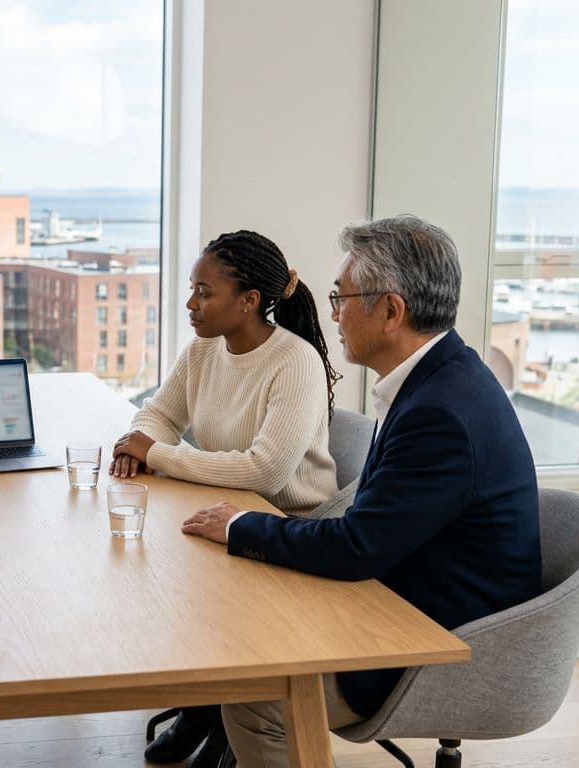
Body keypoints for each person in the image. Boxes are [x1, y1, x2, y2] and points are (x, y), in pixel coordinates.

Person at [181, 215, 542, 768]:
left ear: (391, 310)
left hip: (433, 636)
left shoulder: (441, 412)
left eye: (342, 298)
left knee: (256, 691)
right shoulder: (442, 377)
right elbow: (371, 528)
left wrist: (238, 526)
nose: (333, 314)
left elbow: (358, 548)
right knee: (235, 618)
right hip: (403, 591)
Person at [110, 230, 341, 768]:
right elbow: (158, 413)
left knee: (180, 575)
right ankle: (207, 704)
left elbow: (265, 471)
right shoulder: (204, 350)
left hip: (287, 528)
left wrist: (159, 455)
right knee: (156, 571)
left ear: (250, 301)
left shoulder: (295, 362)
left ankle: (224, 713)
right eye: (192, 289)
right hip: (225, 513)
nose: (191, 304)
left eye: (204, 292)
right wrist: (139, 446)